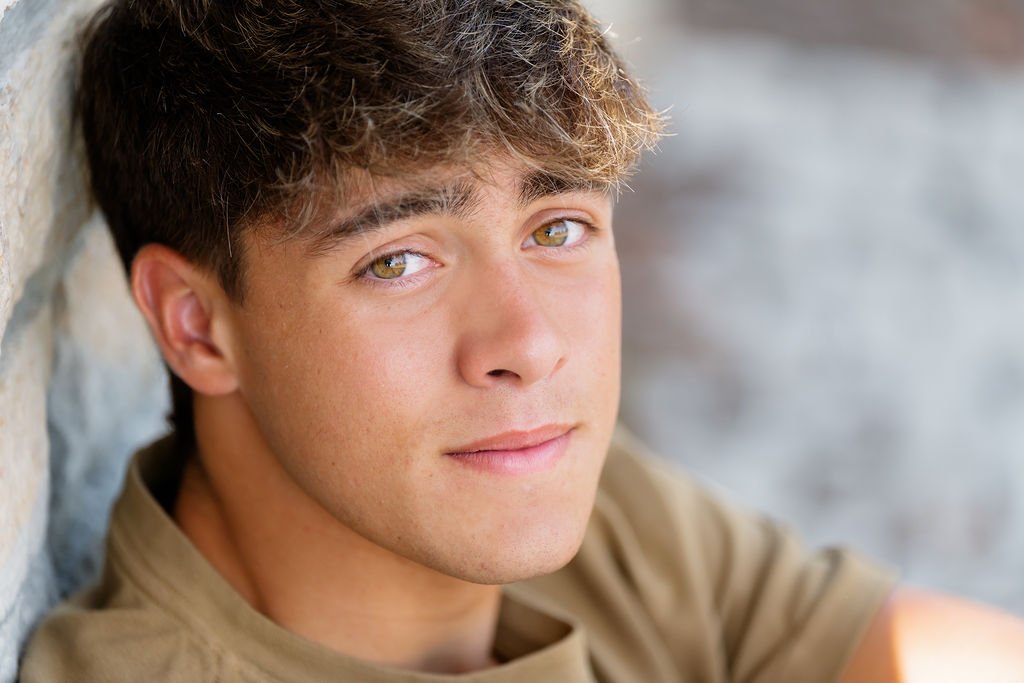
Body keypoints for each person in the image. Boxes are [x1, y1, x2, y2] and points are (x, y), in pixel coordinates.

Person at [19, 0, 1024, 681]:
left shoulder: (538, 492)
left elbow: (884, 646)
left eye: (557, 229)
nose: (529, 344)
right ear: (198, 324)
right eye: (399, 261)